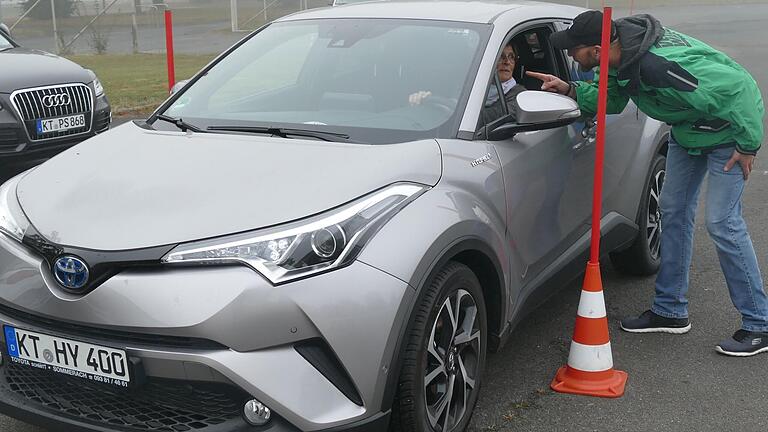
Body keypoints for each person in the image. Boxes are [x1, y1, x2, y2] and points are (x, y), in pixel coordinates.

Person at [527, 10, 767, 356]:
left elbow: (739, 89)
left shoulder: (658, 65)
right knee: (672, 213)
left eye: (573, 49)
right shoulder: (617, 59)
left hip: (727, 135)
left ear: (596, 50)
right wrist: (570, 89)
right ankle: (670, 310)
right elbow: (612, 99)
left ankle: (759, 324)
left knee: (722, 223)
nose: (569, 55)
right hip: (688, 134)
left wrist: (748, 144)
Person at [409, 42, 526, 124]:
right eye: (501, 57)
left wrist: (446, 106)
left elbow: (481, 119)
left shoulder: (519, 96)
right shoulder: (468, 85)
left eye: (511, 57)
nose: (507, 62)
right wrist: (422, 98)